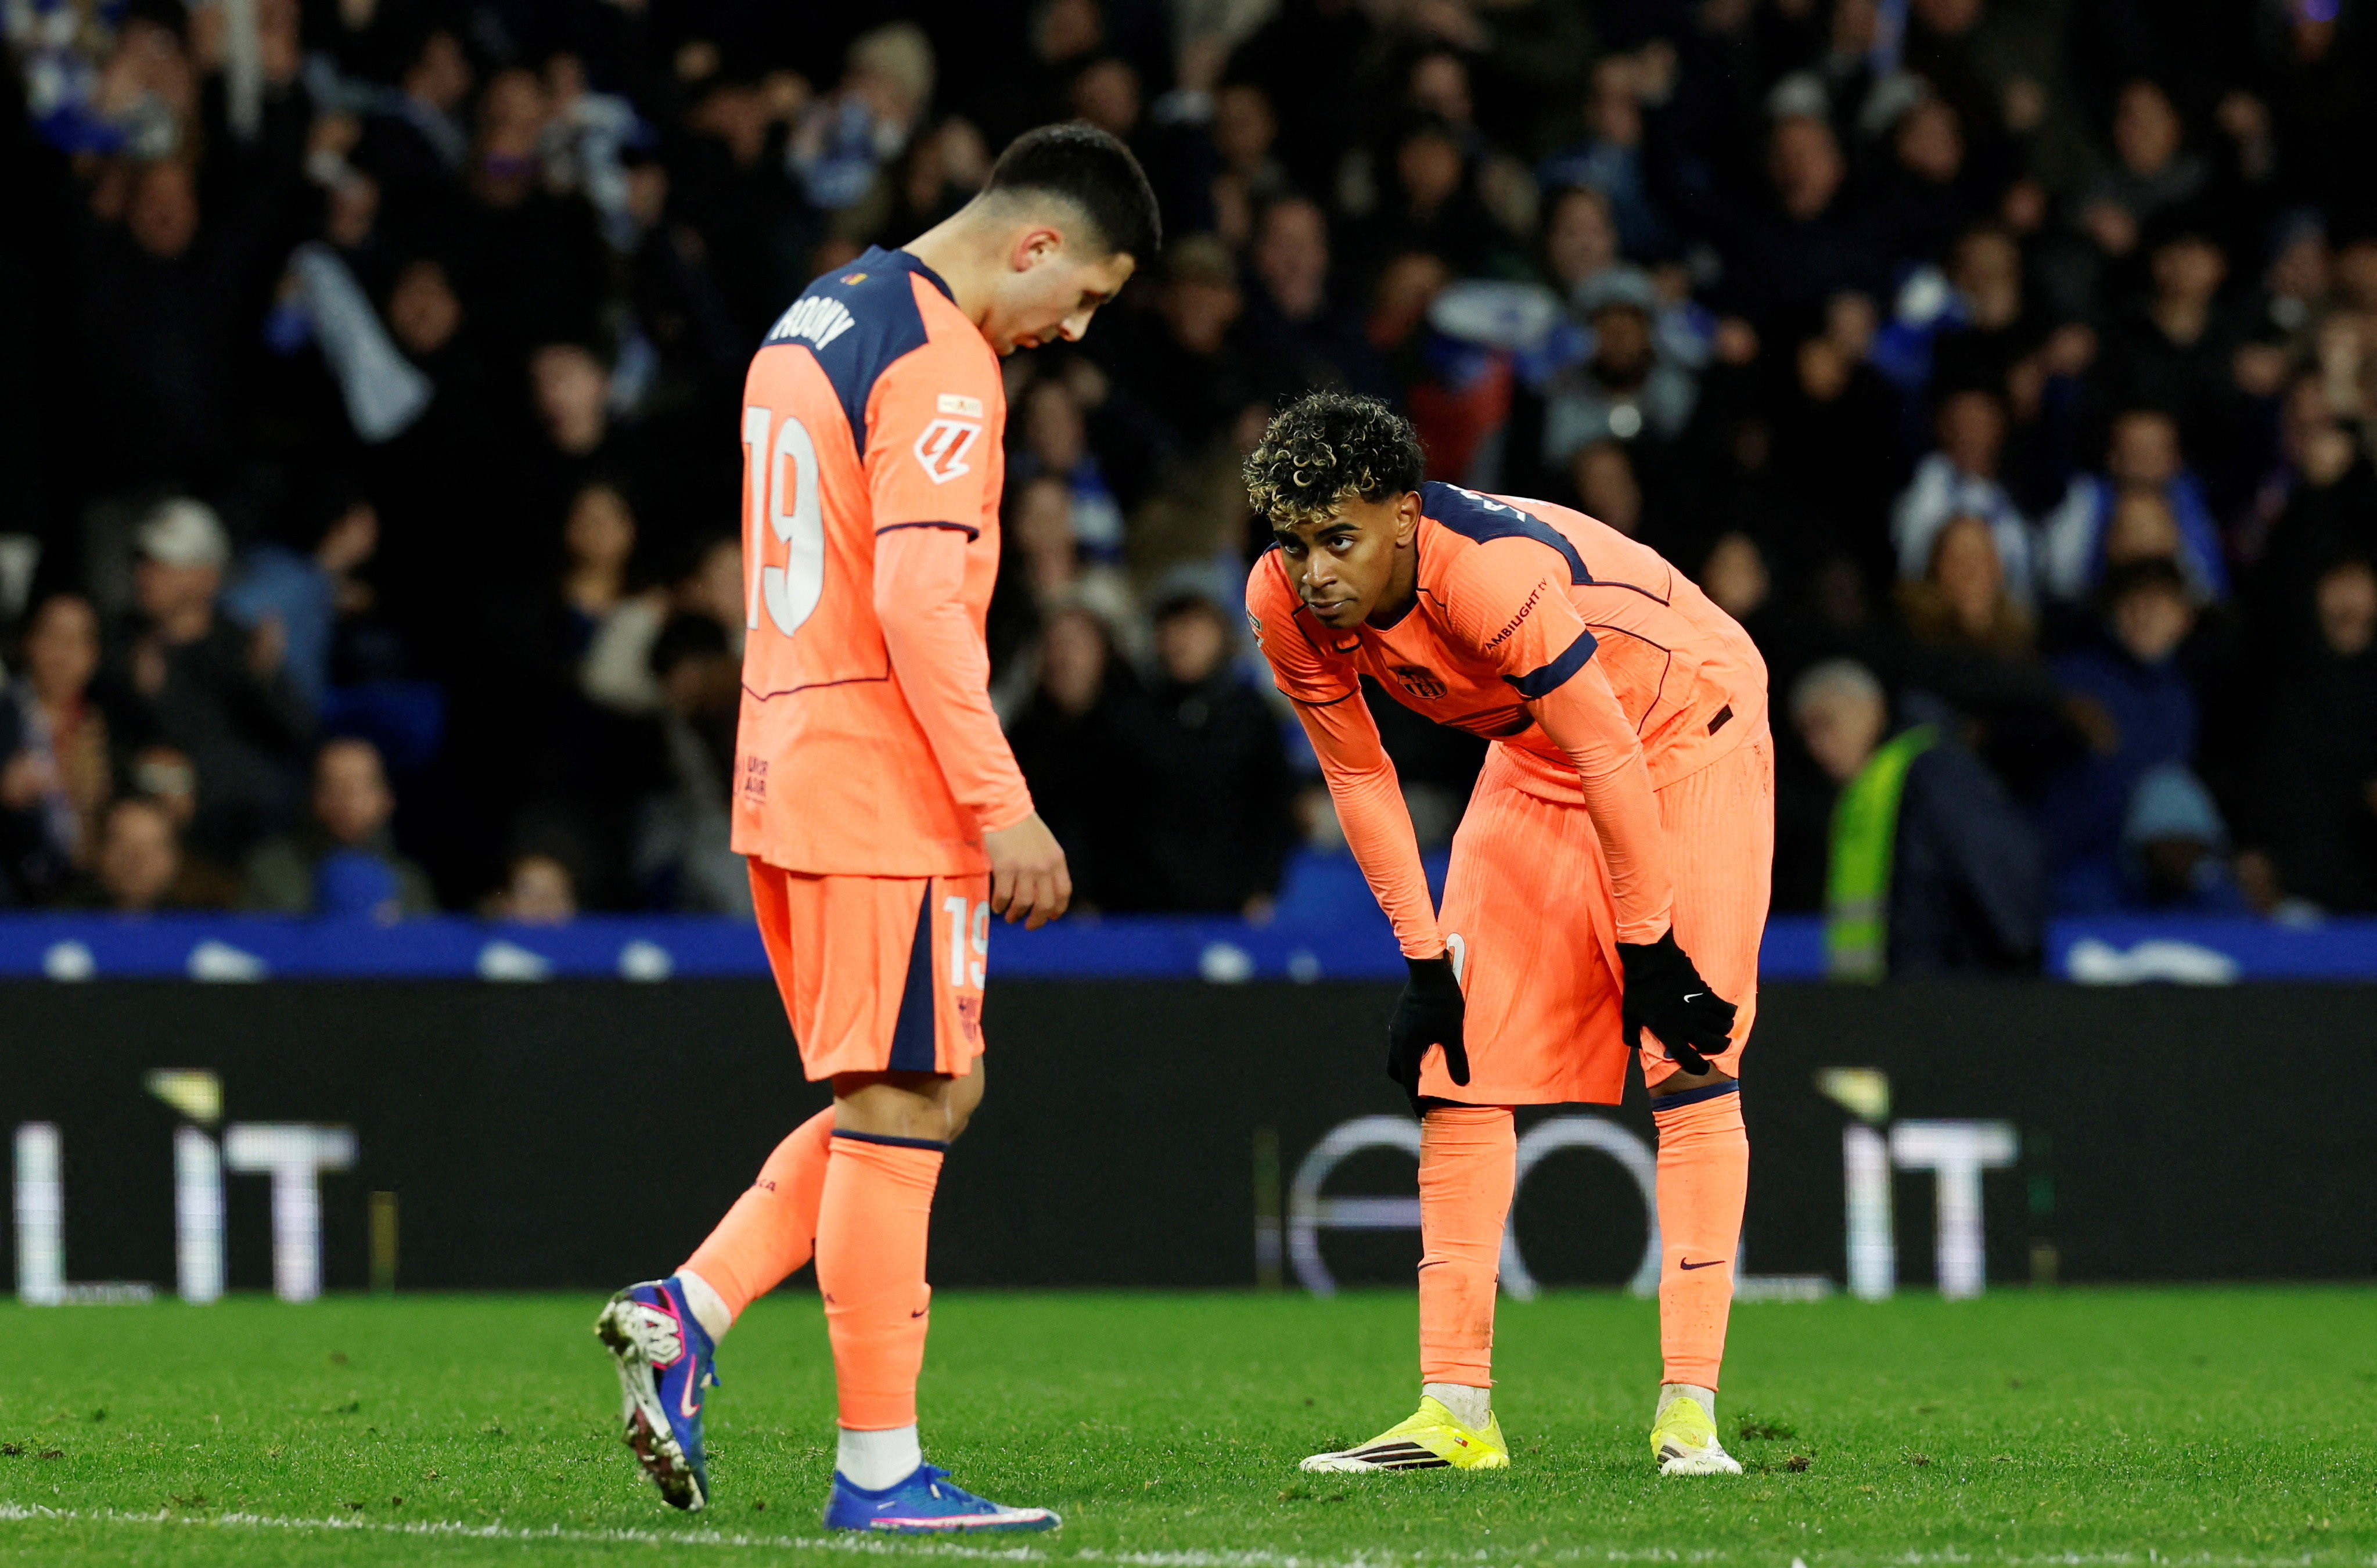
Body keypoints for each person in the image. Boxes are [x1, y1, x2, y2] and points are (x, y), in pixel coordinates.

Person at [594, 122, 1156, 1531]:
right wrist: (1004, 804)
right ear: (1033, 241)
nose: (1067, 329)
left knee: (922, 1092)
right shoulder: (942, 359)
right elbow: (915, 605)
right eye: (1080, 294)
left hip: (787, 756)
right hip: (884, 780)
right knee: (904, 1105)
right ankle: (879, 1473)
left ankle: (693, 1304)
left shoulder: (817, 312)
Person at [1242, 393, 1769, 1478]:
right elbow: (1356, 772)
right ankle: (1453, 1414)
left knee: (1689, 1060)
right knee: (1456, 1061)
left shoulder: (1487, 574)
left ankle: (1689, 1414)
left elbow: (1614, 756)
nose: (1313, 573)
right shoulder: (1282, 603)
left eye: (1336, 538)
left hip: (1682, 733)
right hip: (1539, 760)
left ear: (1400, 516)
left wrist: (1647, 941)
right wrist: (1421, 958)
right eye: (1294, 544)